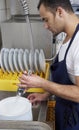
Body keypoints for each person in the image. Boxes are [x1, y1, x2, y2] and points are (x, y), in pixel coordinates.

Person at [18, 0, 79, 130]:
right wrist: (45, 95)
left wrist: (42, 83)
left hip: (75, 121)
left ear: (59, 12)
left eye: (46, 19)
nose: (45, 26)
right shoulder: (68, 37)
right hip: (64, 113)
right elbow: (68, 82)